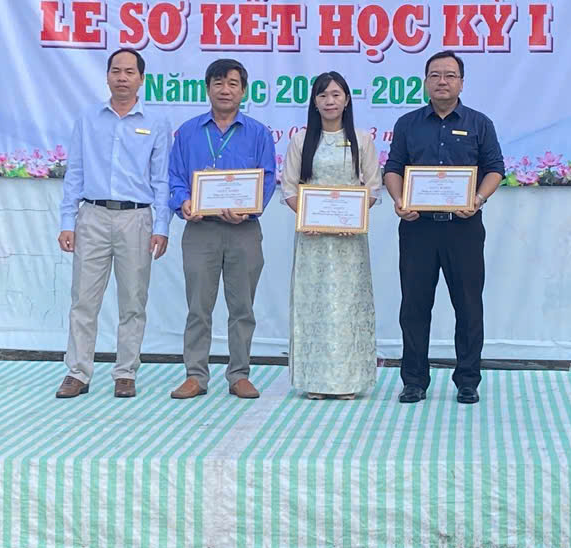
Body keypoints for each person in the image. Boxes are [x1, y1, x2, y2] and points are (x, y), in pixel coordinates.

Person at [383, 51, 504, 405]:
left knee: (468, 305)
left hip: (463, 228)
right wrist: (399, 200)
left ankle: (467, 379)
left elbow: (495, 168)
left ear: (461, 83)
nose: (442, 81)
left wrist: (477, 199)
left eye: (450, 75)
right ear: (425, 82)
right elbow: (393, 168)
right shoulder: (408, 124)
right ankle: (414, 380)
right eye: (435, 75)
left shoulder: (480, 123)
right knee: (414, 306)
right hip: (417, 227)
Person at [55, 49, 170, 399]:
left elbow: (161, 179)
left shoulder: (156, 122)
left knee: (133, 300)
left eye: (129, 72)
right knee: (83, 299)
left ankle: (125, 372)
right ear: (107, 76)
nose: (122, 77)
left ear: (141, 79)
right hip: (92, 215)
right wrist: (67, 220)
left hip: (137, 218)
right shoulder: (88, 118)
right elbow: (75, 172)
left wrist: (161, 226)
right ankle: (78, 372)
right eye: (116, 71)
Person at [167, 58, 276, 400]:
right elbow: (175, 176)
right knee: (198, 307)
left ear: (243, 91)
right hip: (200, 230)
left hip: (244, 231)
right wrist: (184, 202)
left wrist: (249, 209)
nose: (225, 90)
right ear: (208, 89)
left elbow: (268, 178)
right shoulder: (188, 132)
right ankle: (195, 375)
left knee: (242, 307)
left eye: (232, 84)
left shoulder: (258, 133)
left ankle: (239, 374)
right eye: (218, 83)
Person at [281, 72, 381, 399]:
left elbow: (373, 187)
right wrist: (306, 216)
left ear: (347, 100)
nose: (330, 101)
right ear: (314, 102)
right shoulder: (301, 140)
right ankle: (316, 382)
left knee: (348, 307)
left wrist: (352, 217)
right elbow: (289, 187)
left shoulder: (362, 140)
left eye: (336, 95)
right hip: (312, 239)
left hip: (349, 241)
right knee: (315, 307)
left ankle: (348, 382)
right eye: (323, 95)